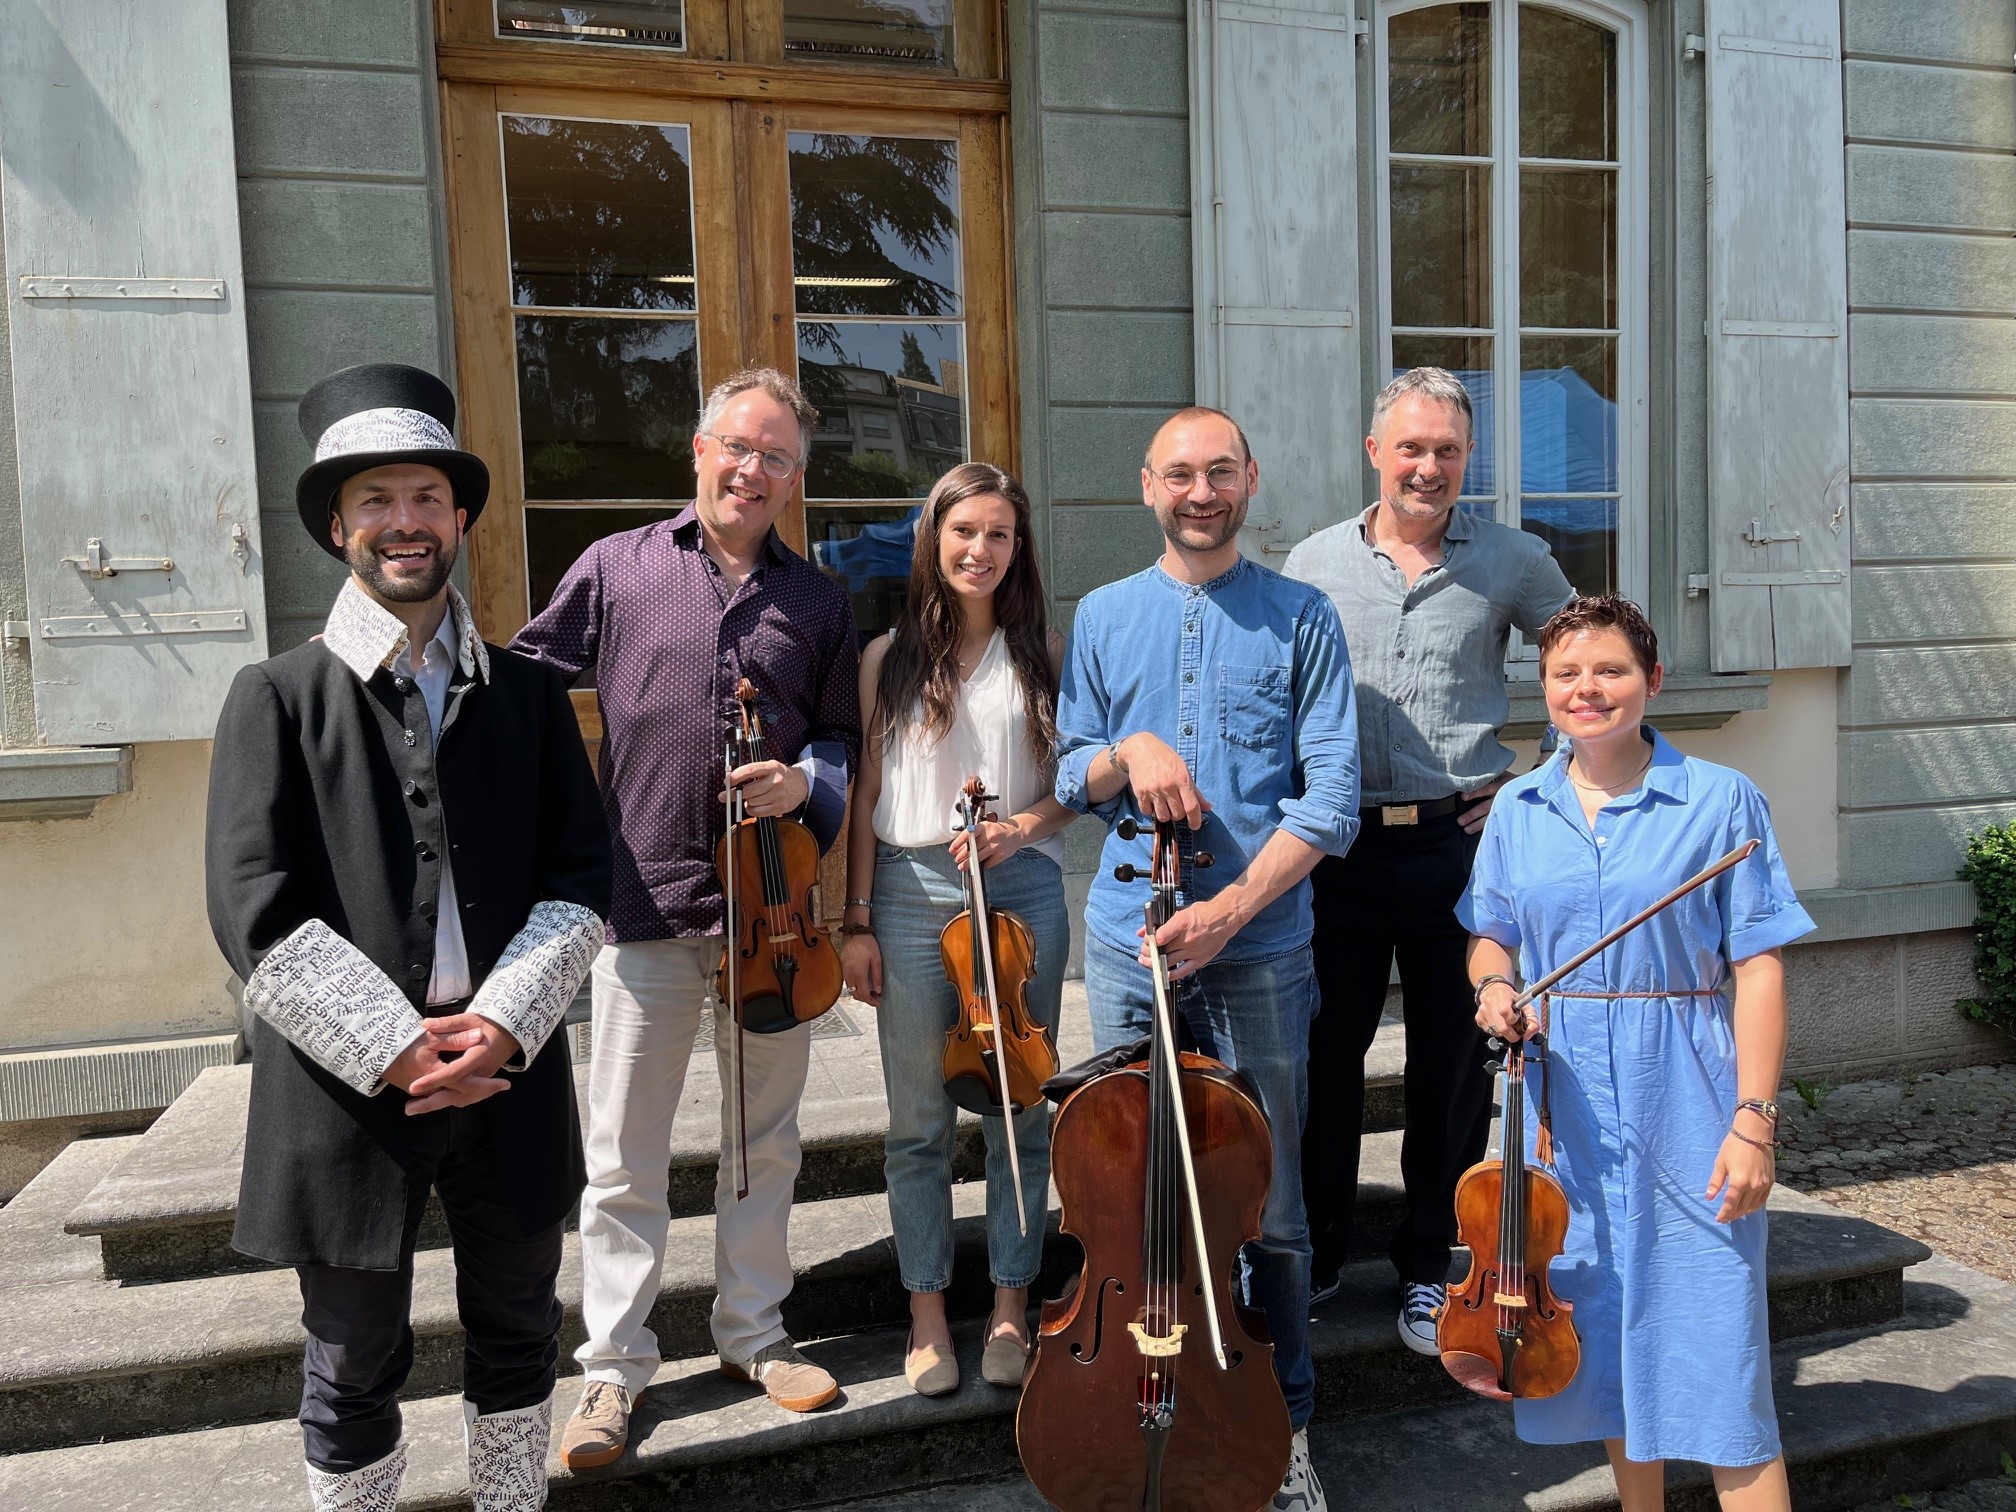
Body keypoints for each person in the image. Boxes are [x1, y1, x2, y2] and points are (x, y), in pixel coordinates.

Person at [206, 363, 612, 1511]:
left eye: (426, 496)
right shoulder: (275, 699)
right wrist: (396, 1045)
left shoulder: (530, 697)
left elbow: (583, 881)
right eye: (375, 499)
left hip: (508, 1077)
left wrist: (497, 1028)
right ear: (337, 525)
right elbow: (254, 909)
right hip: (343, 1095)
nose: (404, 522)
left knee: (520, 1333)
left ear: (460, 516)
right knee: (351, 1359)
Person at [511, 368, 861, 1469]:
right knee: (624, 1155)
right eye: (737, 447)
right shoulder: (616, 567)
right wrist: (562, 826)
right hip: (644, 905)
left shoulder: (819, 601)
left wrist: (807, 786)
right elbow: (524, 690)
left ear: (795, 481)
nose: (752, 470)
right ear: (698, 453)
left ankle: (754, 1334)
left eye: (776, 457)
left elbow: (846, 739)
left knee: (764, 1142)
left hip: (776, 918)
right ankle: (612, 1374)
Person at [1054, 406, 1360, 1512]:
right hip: (1134, 949)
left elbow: (1330, 799)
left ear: (1250, 480)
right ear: (1148, 486)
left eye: (1219, 472)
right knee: (1140, 1201)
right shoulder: (1101, 614)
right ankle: (1161, 1412)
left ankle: (1284, 1432)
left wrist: (1231, 909)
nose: (1200, 491)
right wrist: (1125, 750)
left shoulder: (1301, 616)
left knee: (1266, 1205)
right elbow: (1065, 771)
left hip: (1261, 948)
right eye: (1179, 474)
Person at [1462, 595, 1808, 1512]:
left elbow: (1761, 970)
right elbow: (1489, 936)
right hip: (1561, 1110)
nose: (1589, 689)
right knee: (1603, 1340)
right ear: (1543, 691)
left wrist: (1754, 1121)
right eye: (1566, 673)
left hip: (1687, 1090)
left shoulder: (1723, 800)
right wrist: (1495, 989)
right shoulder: (1518, 808)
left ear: (1651, 682)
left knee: (1721, 1356)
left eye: (1611, 670)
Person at [1284, 366, 1574, 1351]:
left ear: (1468, 459)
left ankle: (1425, 1264)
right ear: (1376, 453)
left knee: (1452, 1070)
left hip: (1460, 852)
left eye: (1447, 450)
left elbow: (1587, 666)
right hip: (1340, 854)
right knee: (1325, 1061)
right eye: (1411, 447)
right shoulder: (1312, 565)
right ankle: (1317, 1255)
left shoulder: (1515, 560)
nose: (1428, 467)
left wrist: (1536, 784)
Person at [838, 463, 1073, 1397]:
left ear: (1019, 549)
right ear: (934, 540)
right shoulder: (883, 658)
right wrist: (851, 919)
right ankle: (928, 1313)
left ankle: (1012, 1307)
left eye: (1000, 535)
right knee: (919, 1124)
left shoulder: (1043, 651)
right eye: (963, 532)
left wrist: (1024, 826)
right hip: (903, 890)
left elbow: (1073, 789)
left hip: (1021, 890)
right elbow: (864, 797)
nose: (980, 550)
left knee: (1021, 1108)